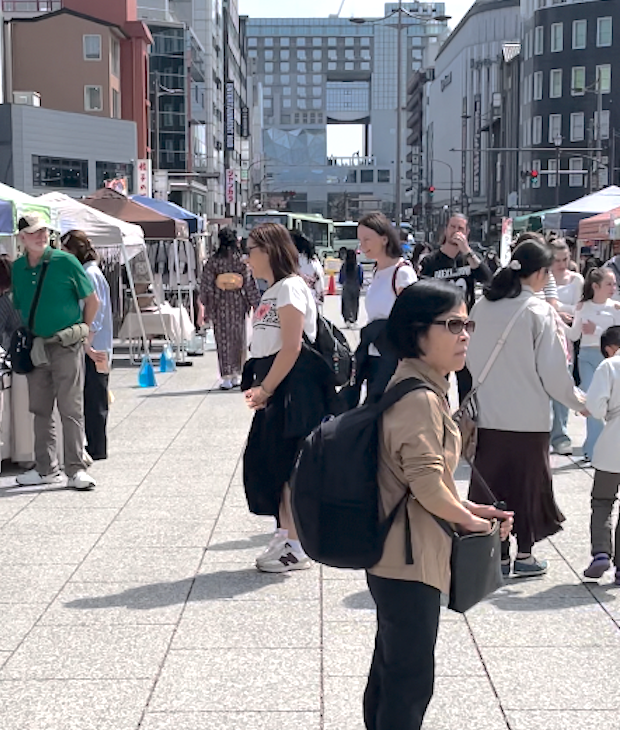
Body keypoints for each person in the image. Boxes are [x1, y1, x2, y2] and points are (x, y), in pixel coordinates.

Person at [365, 280, 512, 730]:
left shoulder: (420, 386)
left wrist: (473, 510)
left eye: (466, 323)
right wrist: (470, 522)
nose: (464, 334)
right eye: (451, 325)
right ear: (417, 332)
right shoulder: (420, 399)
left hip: (398, 553)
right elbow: (428, 487)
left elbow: (426, 481)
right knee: (409, 680)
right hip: (407, 560)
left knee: (392, 670)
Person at [467, 240, 586, 577]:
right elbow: (553, 370)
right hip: (529, 418)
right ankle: (525, 555)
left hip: (488, 415)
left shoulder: (482, 307)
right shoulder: (538, 311)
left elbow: (469, 357)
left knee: (491, 487)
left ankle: (498, 554)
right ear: (538, 274)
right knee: (528, 487)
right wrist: (578, 402)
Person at [242, 222, 337, 573]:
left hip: (294, 390)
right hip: (276, 386)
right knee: (274, 465)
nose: (247, 257)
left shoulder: (291, 289)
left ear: (269, 251)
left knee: (290, 466)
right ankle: (285, 535)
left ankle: (296, 545)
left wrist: (267, 389)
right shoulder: (273, 291)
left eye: (251, 249)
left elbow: (293, 346)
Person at [12, 213, 99, 491]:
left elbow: (91, 300)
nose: (41, 236)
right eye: (34, 232)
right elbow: (19, 305)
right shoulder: (17, 268)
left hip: (65, 343)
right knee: (39, 409)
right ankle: (45, 468)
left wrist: (82, 330)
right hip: (36, 345)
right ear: (22, 238)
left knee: (70, 408)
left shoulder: (66, 261)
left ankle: (75, 469)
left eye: (44, 231)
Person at [351, 212, 417, 405]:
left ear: (384, 239)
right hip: (373, 356)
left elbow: (412, 319)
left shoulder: (402, 272)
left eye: (367, 239)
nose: (363, 246)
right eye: (360, 240)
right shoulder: (377, 270)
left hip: (394, 360)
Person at [61, 230, 113, 461]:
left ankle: (96, 447)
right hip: (97, 344)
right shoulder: (91, 272)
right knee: (94, 397)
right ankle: (96, 446)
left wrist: (87, 345)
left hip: (93, 345)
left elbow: (96, 313)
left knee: (93, 397)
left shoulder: (88, 274)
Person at [567, 267, 620, 460]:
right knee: (592, 400)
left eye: (614, 284)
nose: (613, 288)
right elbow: (574, 335)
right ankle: (592, 449)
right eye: (609, 284)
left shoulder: (615, 308)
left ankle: (599, 447)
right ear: (596, 286)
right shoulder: (583, 306)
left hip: (609, 358)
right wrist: (557, 322)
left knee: (607, 403)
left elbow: (616, 336)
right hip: (587, 357)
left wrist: (596, 329)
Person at [200, 227, 260, 390]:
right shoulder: (240, 261)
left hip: (219, 303)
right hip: (237, 303)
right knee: (238, 338)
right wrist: (256, 304)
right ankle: (236, 374)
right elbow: (248, 284)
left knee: (223, 340)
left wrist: (208, 302)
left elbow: (206, 284)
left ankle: (226, 376)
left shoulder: (214, 261)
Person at [582, 325, 620, 583]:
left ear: (608, 348)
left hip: (614, 441)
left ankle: (601, 552)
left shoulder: (609, 366)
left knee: (603, 500)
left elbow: (595, 406)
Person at [549, 238, 584, 455]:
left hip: (566, 338)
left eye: (565, 259)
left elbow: (578, 308)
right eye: (557, 260)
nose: (561, 264)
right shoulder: (543, 278)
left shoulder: (577, 279)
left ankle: (560, 435)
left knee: (563, 385)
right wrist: (559, 310)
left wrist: (556, 308)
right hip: (545, 334)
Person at [419, 213, 491, 310]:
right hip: (439, 316)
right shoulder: (430, 261)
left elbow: (487, 279)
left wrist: (467, 251)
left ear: (467, 232)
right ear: (446, 230)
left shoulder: (471, 259)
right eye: (452, 227)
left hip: (464, 316)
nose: (456, 231)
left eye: (460, 228)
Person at [291, 231, 325, 309]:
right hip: (312, 301)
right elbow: (320, 281)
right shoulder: (313, 261)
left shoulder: (290, 261)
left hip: (295, 301)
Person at [338, 248, 363, 327]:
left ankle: (348, 319)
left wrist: (341, 282)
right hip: (356, 286)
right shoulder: (358, 265)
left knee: (347, 303)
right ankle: (354, 319)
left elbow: (341, 277)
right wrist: (360, 283)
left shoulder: (344, 265)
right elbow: (361, 276)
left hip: (346, 286)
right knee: (355, 303)